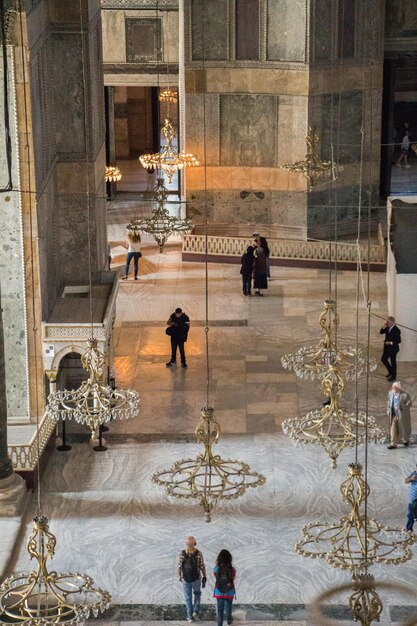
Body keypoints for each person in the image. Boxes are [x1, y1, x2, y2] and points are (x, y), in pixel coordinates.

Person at [178, 536, 206, 623]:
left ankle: (190, 617)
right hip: (196, 578)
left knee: (188, 597)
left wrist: (180, 576)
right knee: (197, 594)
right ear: (195, 543)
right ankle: (195, 611)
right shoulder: (199, 553)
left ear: (186, 544)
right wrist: (204, 576)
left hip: (186, 578)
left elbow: (180, 566)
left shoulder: (182, 553)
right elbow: (202, 566)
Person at [387, 381, 412, 450]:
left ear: (398, 388)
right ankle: (393, 444)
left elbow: (409, 404)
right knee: (393, 428)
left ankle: (406, 440)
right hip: (394, 414)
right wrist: (388, 410)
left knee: (404, 429)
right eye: (392, 387)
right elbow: (388, 402)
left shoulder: (405, 395)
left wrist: (401, 406)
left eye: (394, 387)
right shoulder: (390, 393)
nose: (392, 388)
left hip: (402, 415)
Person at [213, 549, 236, 626]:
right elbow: (233, 578)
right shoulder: (232, 569)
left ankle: (220, 624)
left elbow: (215, 576)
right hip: (229, 591)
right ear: (229, 558)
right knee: (229, 606)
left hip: (219, 592)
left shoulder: (216, 568)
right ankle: (229, 620)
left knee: (220, 611)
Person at [380, 316, 401, 381]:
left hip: (393, 349)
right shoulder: (387, 327)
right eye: (387, 321)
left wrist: (390, 342)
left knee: (393, 362)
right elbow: (381, 332)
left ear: (392, 322)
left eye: (388, 322)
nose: (386, 322)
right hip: (386, 348)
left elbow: (399, 341)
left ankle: (393, 376)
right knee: (383, 359)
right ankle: (391, 371)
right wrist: (383, 326)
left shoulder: (397, 330)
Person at [404, 465, 417, 531]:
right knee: (410, 515)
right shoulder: (414, 473)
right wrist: (412, 479)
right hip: (412, 498)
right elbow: (406, 481)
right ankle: (409, 530)